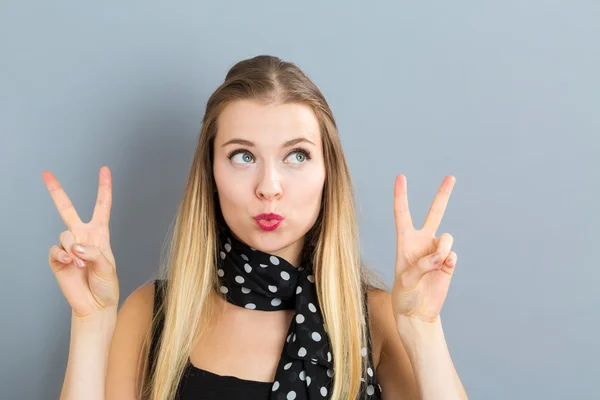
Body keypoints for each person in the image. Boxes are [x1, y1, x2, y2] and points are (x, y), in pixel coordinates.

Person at [42, 55, 468, 400]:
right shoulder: (153, 315)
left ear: (327, 174)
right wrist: (92, 322)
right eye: (243, 156)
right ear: (210, 172)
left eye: (296, 156)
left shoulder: (373, 320)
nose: (269, 188)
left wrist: (422, 328)